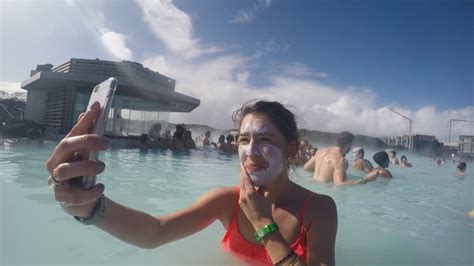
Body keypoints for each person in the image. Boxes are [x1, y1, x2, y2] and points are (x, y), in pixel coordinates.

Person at [45, 100, 337, 265]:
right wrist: (89, 208)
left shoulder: (318, 209)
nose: (250, 151)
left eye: (265, 140)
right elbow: (156, 233)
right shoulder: (226, 201)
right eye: (243, 140)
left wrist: (262, 223)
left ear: (291, 149)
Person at [303, 131, 376, 185]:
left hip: (314, 186)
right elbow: (340, 184)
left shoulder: (320, 151)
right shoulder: (340, 160)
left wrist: (323, 172)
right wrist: (366, 179)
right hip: (326, 192)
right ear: (348, 145)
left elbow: (306, 168)